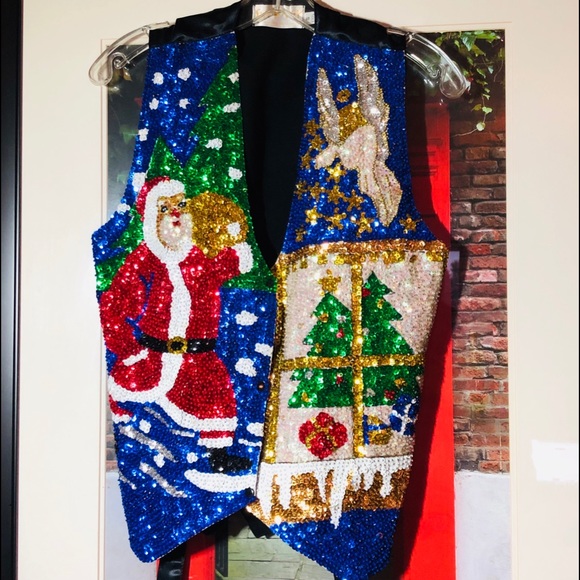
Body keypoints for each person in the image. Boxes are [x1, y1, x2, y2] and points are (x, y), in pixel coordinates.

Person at [100, 176, 254, 473]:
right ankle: (129, 441)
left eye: (181, 205)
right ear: (151, 218)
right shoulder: (143, 260)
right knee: (126, 391)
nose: (175, 213)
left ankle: (218, 456)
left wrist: (237, 252)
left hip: (199, 358)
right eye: (164, 207)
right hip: (152, 356)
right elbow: (113, 305)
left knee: (218, 398)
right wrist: (129, 350)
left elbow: (217, 270)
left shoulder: (195, 255)